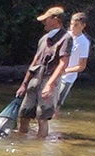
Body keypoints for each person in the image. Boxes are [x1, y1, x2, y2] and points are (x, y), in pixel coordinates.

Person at [18, 7, 72, 139]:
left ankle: (39, 148)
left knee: (42, 117)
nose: (44, 22)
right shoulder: (43, 39)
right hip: (35, 78)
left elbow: (63, 64)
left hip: (49, 79)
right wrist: (24, 84)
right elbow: (35, 61)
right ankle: (20, 142)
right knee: (24, 114)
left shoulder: (66, 38)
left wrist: (49, 84)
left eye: (46, 19)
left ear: (56, 20)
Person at [49, 10, 89, 118]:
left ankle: (54, 129)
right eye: (71, 24)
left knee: (56, 105)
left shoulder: (84, 42)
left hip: (67, 78)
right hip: (55, 73)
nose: (72, 27)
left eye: (76, 25)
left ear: (83, 26)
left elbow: (81, 66)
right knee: (46, 100)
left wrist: (65, 70)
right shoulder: (65, 36)